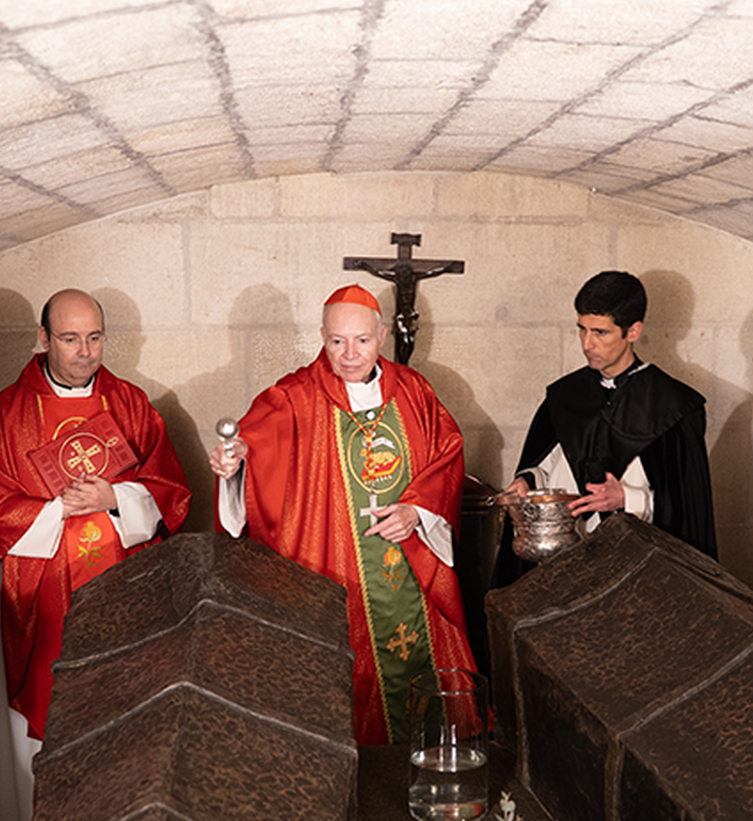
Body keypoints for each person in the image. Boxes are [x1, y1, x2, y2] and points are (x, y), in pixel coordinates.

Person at [0, 288, 190, 821]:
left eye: (94, 338)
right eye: (69, 339)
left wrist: (115, 496)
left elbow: (171, 490)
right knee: (45, 717)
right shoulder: (6, 413)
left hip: (124, 592)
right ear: (43, 339)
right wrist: (57, 510)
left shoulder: (131, 403)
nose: (85, 352)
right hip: (41, 597)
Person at [208, 284, 477, 746]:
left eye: (362, 341)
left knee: (424, 701)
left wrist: (416, 511)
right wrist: (235, 465)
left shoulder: (413, 392)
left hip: (408, 571)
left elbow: (447, 457)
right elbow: (254, 447)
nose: (350, 354)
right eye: (337, 342)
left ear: (382, 337)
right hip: (333, 572)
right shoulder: (293, 396)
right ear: (321, 337)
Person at [501, 270, 717, 567]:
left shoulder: (674, 407)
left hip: (639, 570)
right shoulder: (565, 396)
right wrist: (526, 481)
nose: (587, 344)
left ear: (633, 332)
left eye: (600, 332)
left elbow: (690, 513)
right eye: (582, 329)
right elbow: (547, 468)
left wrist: (627, 499)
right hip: (563, 566)